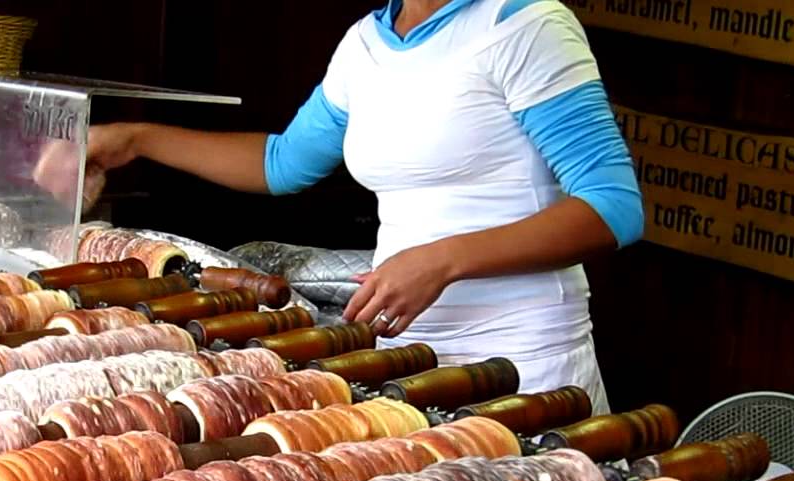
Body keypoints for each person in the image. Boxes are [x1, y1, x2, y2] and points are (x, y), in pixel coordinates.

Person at [43, 0, 644, 414]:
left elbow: (612, 205)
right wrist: (135, 140)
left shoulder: (526, 24)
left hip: (525, 362)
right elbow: (281, 164)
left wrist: (441, 261)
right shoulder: (366, 44)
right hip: (407, 356)